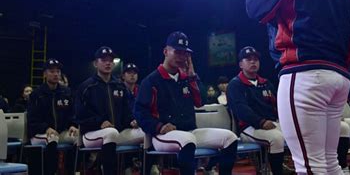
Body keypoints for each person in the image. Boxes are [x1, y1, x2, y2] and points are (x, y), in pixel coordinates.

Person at [246, 0, 350, 174]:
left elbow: (256, 8)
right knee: (329, 162)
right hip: (338, 75)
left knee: (310, 166)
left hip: (304, 74)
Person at [134, 31, 238, 175]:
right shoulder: (151, 81)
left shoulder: (187, 78)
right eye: (177, 52)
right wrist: (159, 126)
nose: (181, 57)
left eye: (184, 53)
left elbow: (200, 102)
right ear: (166, 51)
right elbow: (139, 112)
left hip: (190, 131)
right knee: (187, 140)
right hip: (162, 135)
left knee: (230, 138)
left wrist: (192, 76)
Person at [75, 47, 144, 175]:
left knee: (147, 132)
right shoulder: (86, 87)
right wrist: (99, 122)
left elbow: (127, 111)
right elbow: (80, 115)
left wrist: (132, 121)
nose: (108, 63)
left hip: (117, 132)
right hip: (91, 133)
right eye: (104, 60)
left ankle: (149, 170)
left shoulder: (119, 86)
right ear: (96, 63)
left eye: (111, 60)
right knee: (110, 133)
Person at [227, 46, 284, 175]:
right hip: (248, 127)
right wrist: (261, 122)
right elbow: (241, 110)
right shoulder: (235, 84)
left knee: (296, 133)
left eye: (256, 59)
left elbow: (278, 105)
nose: (253, 62)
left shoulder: (266, 83)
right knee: (276, 138)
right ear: (241, 64)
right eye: (248, 59)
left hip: (271, 123)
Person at [27, 58, 78, 175]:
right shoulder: (36, 94)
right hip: (39, 133)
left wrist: (72, 125)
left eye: (58, 71)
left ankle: (71, 171)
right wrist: (46, 128)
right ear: (45, 74)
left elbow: (72, 114)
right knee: (52, 138)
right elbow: (32, 119)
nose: (56, 74)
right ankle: (51, 172)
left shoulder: (66, 92)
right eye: (52, 71)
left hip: (60, 132)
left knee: (77, 137)